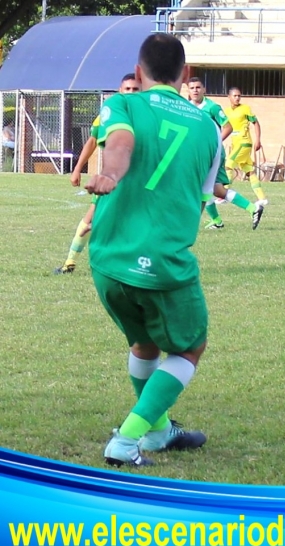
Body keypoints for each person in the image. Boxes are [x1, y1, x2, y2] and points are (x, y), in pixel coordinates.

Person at [88, 33, 222, 467]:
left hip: (107, 259)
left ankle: (160, 430)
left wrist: (110, 173)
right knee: (189, 347)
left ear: (139, 72)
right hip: (163, 263)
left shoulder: (122, 103)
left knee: (144, 344)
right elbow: (205, 195)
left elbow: (121, 142)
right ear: (186, 76)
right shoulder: (208, 128)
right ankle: (127, 440)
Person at [54, 74, 140, 275]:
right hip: (112, 178)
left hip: (139, 179)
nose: (132, 93)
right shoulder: (106, 115)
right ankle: (70, 262)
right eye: (128, 89)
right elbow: (92, 141)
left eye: (136, 89)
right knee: (89, 219)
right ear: (120, 91)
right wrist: (77, 169)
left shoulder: (146, 115)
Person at [187, 77, 264, 230]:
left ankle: (219, 220)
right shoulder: (186, 107)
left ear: (204, 90)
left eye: (198, 87)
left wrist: (213, 143)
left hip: (212, 153)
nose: (195, 90)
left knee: (205, 188)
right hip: (197, 153)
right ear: (188, 91)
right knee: (214, 189)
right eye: (192, 88)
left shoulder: (212, 107)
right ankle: (250, 210)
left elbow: (227, 127)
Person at [216, 86, 268, 230]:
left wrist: (258, 140)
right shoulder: (225, 112)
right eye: (235, 96)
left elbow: (256, 123)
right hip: (236, 144)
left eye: (239, 96)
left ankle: (223, 193)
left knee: (229, 164)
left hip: (244, 143)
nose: (238, 98)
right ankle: (262, 198)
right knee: (250, 171)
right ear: (229, 97)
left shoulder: (246, 109)